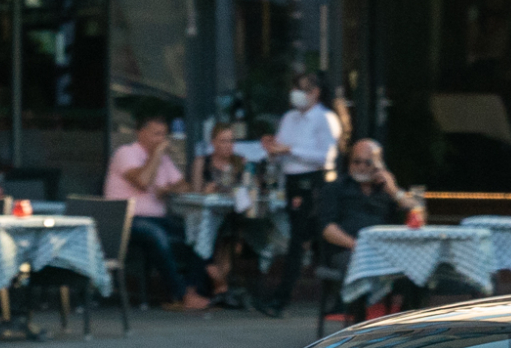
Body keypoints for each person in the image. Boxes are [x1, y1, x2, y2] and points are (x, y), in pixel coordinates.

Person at [255, 72, 344, 315]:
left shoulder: (325, 118)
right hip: (292, 181)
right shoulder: (289, 118)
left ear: (315, 92)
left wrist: (291, 149)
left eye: (303, 89)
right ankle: (339, 296)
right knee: (314, 240)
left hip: (314, 182)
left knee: (301, 240)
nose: (297, 94)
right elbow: (281, 155)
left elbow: (326, 156)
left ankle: (280, 300)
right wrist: (273, 150)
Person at [107, 115, 210, 312]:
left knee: (195, 234)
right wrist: (157, 155)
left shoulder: (164, 159)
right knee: (156, 235)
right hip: (126, 219)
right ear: (141, 133)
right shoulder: (126, 153)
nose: (161, 139)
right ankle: (179, 295)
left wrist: (171, 189)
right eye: (156, 134)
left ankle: (191, 290)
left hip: (158, 219)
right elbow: (143, 181)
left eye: (164, 135)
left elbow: (184, 186)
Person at [315, 139, 416, 319]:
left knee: (417, 268)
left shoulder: (387, 191)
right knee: (358, 263)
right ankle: (360, 325)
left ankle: (408, 325)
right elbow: (327, 228)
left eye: (368, 162)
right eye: (356, 161)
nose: (361, 167)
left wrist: (394, 191)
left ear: (379, 165)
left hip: (385, 251)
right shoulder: (336, 188)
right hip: (349, 250)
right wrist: (357, 245)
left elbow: (417, 217)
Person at [194, 122, 260, 303]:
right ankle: (221, 286)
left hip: (233, 214)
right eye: (223, 141)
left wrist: (246, 180)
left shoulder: (240, 161)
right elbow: (195, 193)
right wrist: (206, 189)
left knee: (232, 234)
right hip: (208, 215)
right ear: (213, 142)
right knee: (225, 234)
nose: (228, 145)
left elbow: (252, 187)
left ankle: (220, 285)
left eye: (231, 141)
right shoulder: (203, 162)